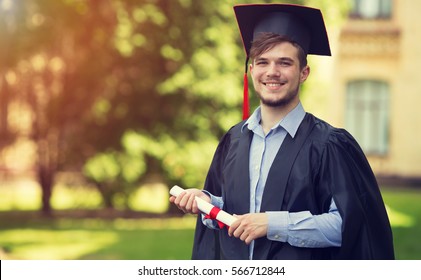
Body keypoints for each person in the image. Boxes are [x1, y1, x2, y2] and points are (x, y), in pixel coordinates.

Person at [170, 3, 394, 260]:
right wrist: (208, 204)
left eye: (284, 63)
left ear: (303, 73)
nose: (272, 72)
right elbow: (236, 218)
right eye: (262, 62)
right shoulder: (234, 140)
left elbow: (350, 226)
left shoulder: (329, 145)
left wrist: (273, 224)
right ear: (252, 70)